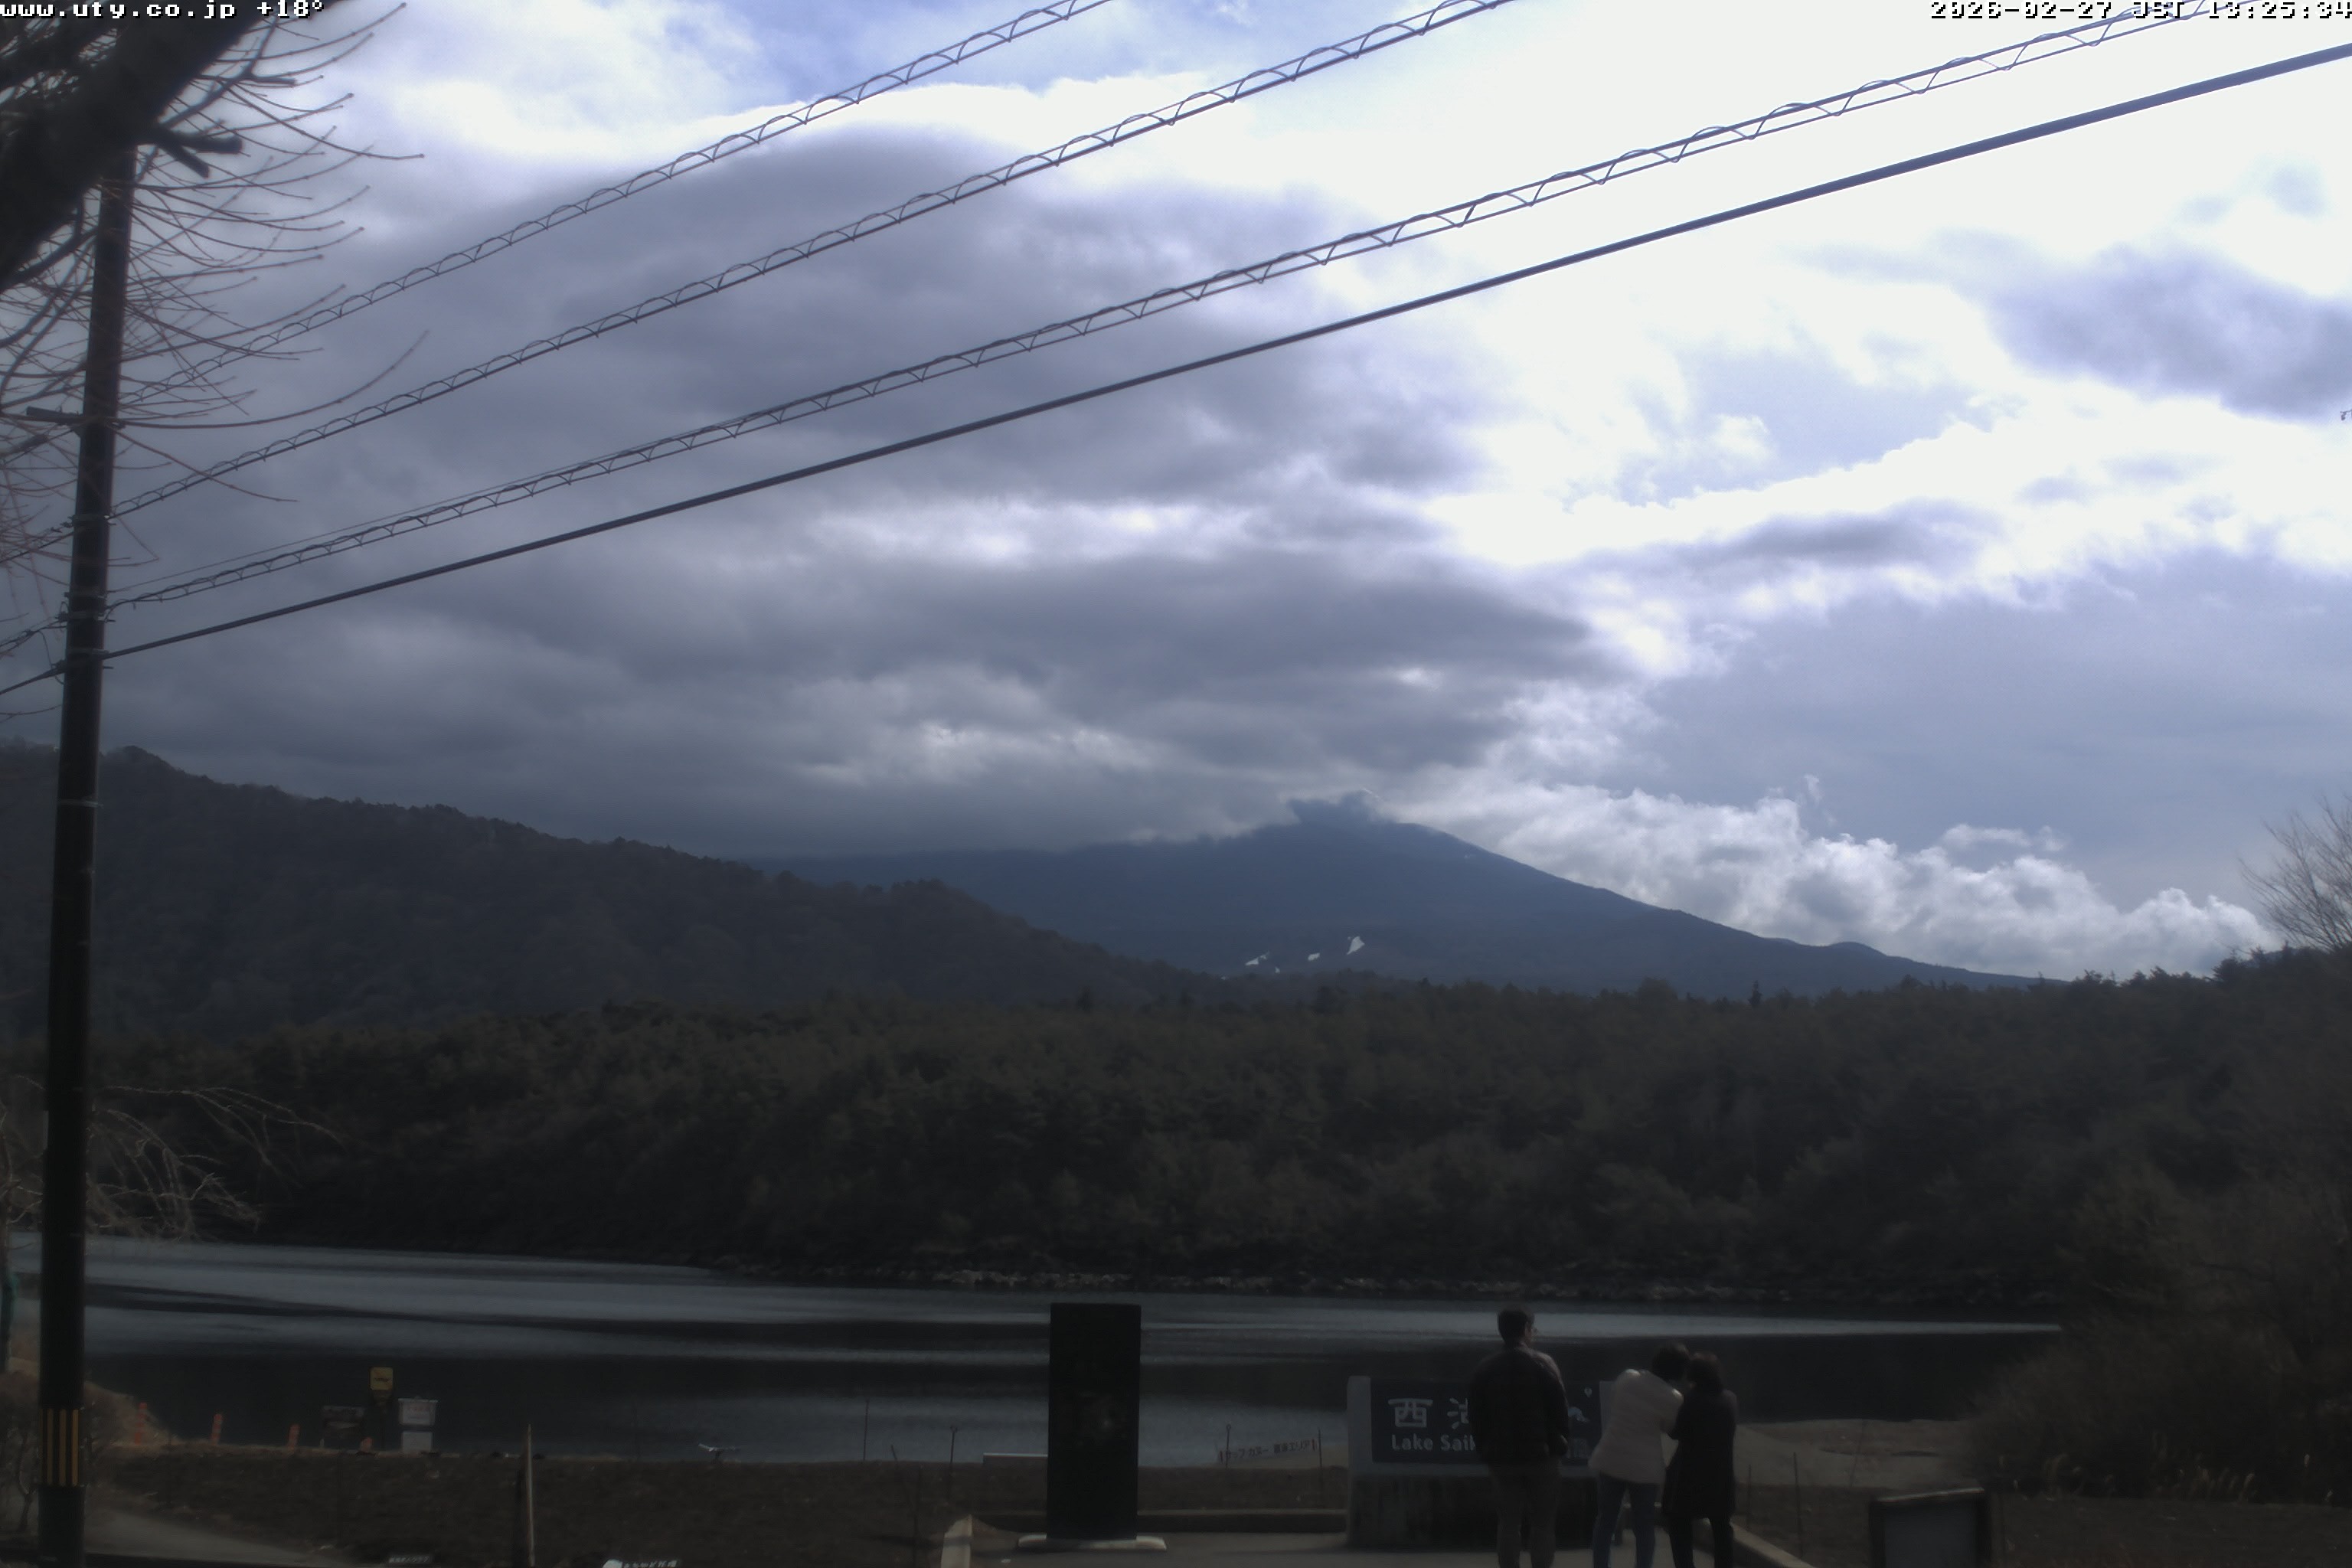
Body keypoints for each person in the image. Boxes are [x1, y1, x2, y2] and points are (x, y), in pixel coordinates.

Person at [1467, 1305, 1572, 1568]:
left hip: (1501, 1458)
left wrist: (1485, 1448)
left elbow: (1476, 1416)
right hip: (1542, 1456)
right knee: (1543, 1524)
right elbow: (1561, 1411)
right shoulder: (1544, 1364)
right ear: (1526, 1329)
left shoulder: (1485, 1368)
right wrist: (1561, 1443)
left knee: (1508, 1524)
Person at [1588, 1342, 1688, 1568]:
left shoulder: (1627, 1378)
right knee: (1644, 1528)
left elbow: (1615, 1401)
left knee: (1605, 1521)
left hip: (1611, 1457)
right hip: (1645, 1468)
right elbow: (1670, 1429)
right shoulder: (1673, 1398)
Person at [1664, 1351, 1737, 1568]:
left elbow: (1675, 1432)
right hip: (1722, 1472)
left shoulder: (1690, 1401)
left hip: (1690, 1474)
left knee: (1679, 1524)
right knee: (1722, 1528)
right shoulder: (1730, 1399)